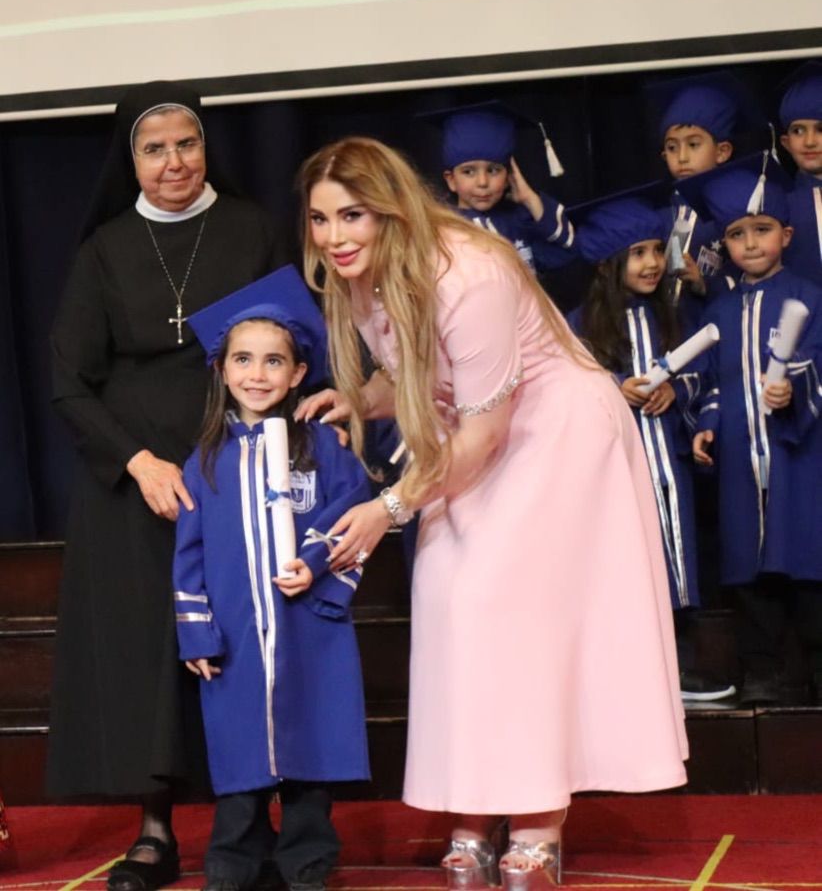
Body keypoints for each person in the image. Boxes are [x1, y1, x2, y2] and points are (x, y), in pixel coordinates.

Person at [294, 137, 687, 889]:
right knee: (454, 606)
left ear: (391, 211)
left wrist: (389, 507)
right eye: (320, 218)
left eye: (352, 215)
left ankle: (538, 822)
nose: (334, 236)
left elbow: (484, 431)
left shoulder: (468, 274)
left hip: (554, 433)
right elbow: (417, 373)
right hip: (477, 434)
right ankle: (473, 812)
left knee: (517, 617)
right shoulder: (358, 276)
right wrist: (359, 399)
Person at [47, 81, 289, 891]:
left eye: (188, 143)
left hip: (236, 466)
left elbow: (293, 341)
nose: (175, 161)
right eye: (155, 149)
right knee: (148, 653)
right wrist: (138, 462)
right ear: (132, 162)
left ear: (206, 147)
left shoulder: (252, 227)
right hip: (134, 483)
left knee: (243, 643)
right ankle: (154, 832)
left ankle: (248, 829)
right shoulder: (105, 249)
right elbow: (69, 382)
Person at [176, 267, 370, 891]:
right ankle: (235, 862)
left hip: (308, 626)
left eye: (273, 361)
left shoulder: (324, 449)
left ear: (297, 373)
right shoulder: (206, 460)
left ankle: (307, 860)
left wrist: (319, 570)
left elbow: (355, 514)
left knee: (311, 747)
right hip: (236, 633)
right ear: (221, 369)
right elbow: (189, 553)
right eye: (243, 359)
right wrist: (197, 632)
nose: (257, 374)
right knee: (240, 751)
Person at [567, 183, 735, 703]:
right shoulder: (581, 327)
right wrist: (613, 389)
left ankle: (677, 670)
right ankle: (630, 679)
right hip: (616, 468)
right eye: (638, 253)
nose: (653, 263)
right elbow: (562, 389)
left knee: (676, 557)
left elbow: (707, 375)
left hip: (670, 463)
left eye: (658, 250)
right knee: (625, 560)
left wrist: (674, 390)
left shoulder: (676, 316)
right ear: (607, 264)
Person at [680, 154, 822, 706]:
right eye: (737, 234)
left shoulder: (810, 296)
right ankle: (766, 670)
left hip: (798, 453)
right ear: (725, 245)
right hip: (742, 452)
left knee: (806, 556)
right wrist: (707, 425)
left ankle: (814, 668)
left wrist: (795, 390)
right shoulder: (720, 308)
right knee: (748, 562)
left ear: (786, 234)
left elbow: (817, 359)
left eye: (762, 229)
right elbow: (716, 380)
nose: (751, 243)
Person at [419, 102, 576, 276]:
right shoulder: (441, 231)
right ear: (451, 180)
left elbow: (564, 250)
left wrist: (529, 198)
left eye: (493, 170)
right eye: (468, 172)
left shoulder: (519, 222)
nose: (482, 182)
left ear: (509, 176)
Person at [646, 72, 760, 310]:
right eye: (672, 147)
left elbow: (752, 273)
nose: (682, 157)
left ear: (722, 152)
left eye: (693, 144)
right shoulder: (657, 216)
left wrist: (703, 283)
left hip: (716, 318)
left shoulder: (733, 214)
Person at [778, 61, 822, 287]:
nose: (809, 141)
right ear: (786, 143)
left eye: (821, 129)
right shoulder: (777, 207)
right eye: (798, 130)